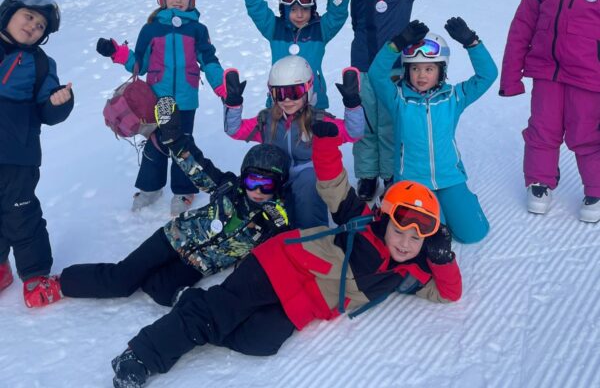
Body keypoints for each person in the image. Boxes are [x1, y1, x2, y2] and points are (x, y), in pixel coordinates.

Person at [109, 119, 461, 388]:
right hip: (280, 265)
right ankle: (142, 355)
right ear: (385, 218)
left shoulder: (407, 272)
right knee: (219, 314)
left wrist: (443, 259)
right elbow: (333, 183)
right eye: (399, 230)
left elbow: (447, 294)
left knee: (261, 343)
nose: (405, 243)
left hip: (302, 306)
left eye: (416, 239)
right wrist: (326, 143)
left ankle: (194, 305)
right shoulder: (362, 223)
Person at [54, 99, 291, 309]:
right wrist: (175, 139)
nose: (258, 191)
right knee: (122, 281)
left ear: (278, 185)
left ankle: (201, 307)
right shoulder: (227, 187)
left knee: (161, 290)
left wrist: (279, 228)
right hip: (174, 238)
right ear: (243, 177)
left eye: (267, 185)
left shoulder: (274, 220)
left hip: (198, 265)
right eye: (252, 181)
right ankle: (60, 284)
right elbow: (197, 167)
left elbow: (280, 251)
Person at [500, 0, 600, 223]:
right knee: (542, 129)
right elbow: (521, 29)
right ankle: (539, 183)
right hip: (547, 74)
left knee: (587, 133)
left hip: (589, 76)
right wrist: (511, 77)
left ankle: (596, 189)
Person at [96, 0, 225, 216]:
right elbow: (140, 64)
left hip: (185, 99)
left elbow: (209, 60)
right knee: (155, 143)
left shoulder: (197, 30)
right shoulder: (151, 30)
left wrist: (221, 85)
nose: (178, 0)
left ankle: (184, 190)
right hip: (156, 99)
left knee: (182, 143)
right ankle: (150, 188)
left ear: (191, 1)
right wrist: (117, 52)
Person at [368, 18, 498, 244]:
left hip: (449, 177)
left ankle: (459, 202)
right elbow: (376, 74)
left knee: (473, 234)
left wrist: (472, 43)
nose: (422, 75)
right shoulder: (398, 99)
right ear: (407, 70)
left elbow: (488, 75)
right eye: (415, 68)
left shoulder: (454, 98)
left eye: (429, 69)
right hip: (413, 181)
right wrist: (396, 44)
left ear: (441, 70)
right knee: (433, 238)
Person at [222, 55, 364, 229]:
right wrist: (233, 103)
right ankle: (258, 230)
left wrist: (352, 104)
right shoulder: (267, 121)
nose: (287, 100)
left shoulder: (318, 121)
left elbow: (353, 133)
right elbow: (235, 130)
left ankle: (311, 235)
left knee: (308, 180)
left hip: (307, 185)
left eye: (294, 93)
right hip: (277, 178)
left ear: (308, 90)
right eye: (280, 94)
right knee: (256, 177)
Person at [350, 0, 434, 201]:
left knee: (388, 124)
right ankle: (367, 175)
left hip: (393, 71)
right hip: (363, 69)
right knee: (364, 124)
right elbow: (356, 27)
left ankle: (389, 173)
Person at [0, 0, 74, 307]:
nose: (33, 26)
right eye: (28, 16)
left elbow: (48, 110)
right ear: (7, 14)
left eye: (40, 25)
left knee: (21, 215)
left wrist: (59, 102)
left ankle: (35, 276)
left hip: (18, 158)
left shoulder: (40, 63)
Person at [232, 0, 354, 109]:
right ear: (284, 9)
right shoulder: (274, 28)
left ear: (312, 9)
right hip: (281, 102)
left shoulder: (321, 30)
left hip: (313, 102)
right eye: (293, 10)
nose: (299, 15)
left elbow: (336, 15)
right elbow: (257, 9)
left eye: (305, 9)